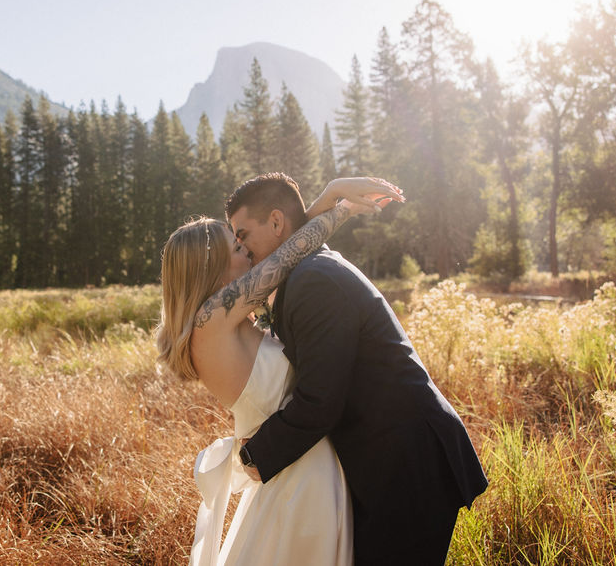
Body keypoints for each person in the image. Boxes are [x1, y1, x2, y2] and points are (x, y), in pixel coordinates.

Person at [227, 173, 488, 565]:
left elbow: (320, 400)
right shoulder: (309, 268)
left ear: (277, 222)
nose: (240, 248)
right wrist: (329, 195)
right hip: (391, 459)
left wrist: (256, 455)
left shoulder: (314, 281)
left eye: (243, 234)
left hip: (408, 462)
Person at [156, 176, 404, 566]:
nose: (247, 252)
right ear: (211, 268)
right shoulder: (212, 319)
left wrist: (330, 200)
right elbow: (289, 255)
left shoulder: (217, 324)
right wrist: (336, 202)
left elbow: (285, 247)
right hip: (299, 477)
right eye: (236, 246)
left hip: (296, 464)